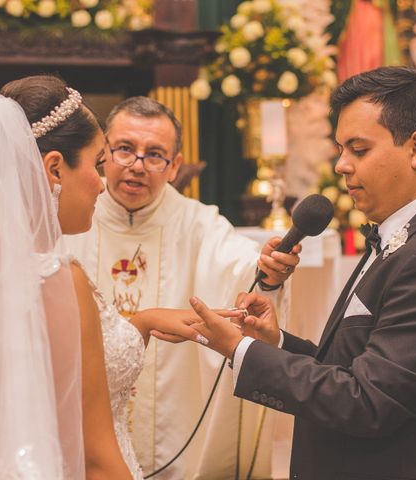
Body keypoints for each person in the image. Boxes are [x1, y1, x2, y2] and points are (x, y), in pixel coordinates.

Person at [181, 66, 416, 479]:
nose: (342, 166)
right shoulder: (404, 237)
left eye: (359, 149)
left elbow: (368, 402)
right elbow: (357, 371)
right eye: (341, 150)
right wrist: (274, 343)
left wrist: (241, 352)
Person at [0, 75, 197, 479]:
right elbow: (96, 460)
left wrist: (143, 322)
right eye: (97, 163)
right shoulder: (56, 281)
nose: (101, 185)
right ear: (54, 168)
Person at [65, 96, 300, 479]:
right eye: (125, 149)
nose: (137, 166)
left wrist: (268, 273)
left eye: (154, 155)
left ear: (175, 166)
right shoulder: (71, 215)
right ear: (102, 152)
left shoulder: (197, 222)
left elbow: (243, 270)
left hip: (174, 429)